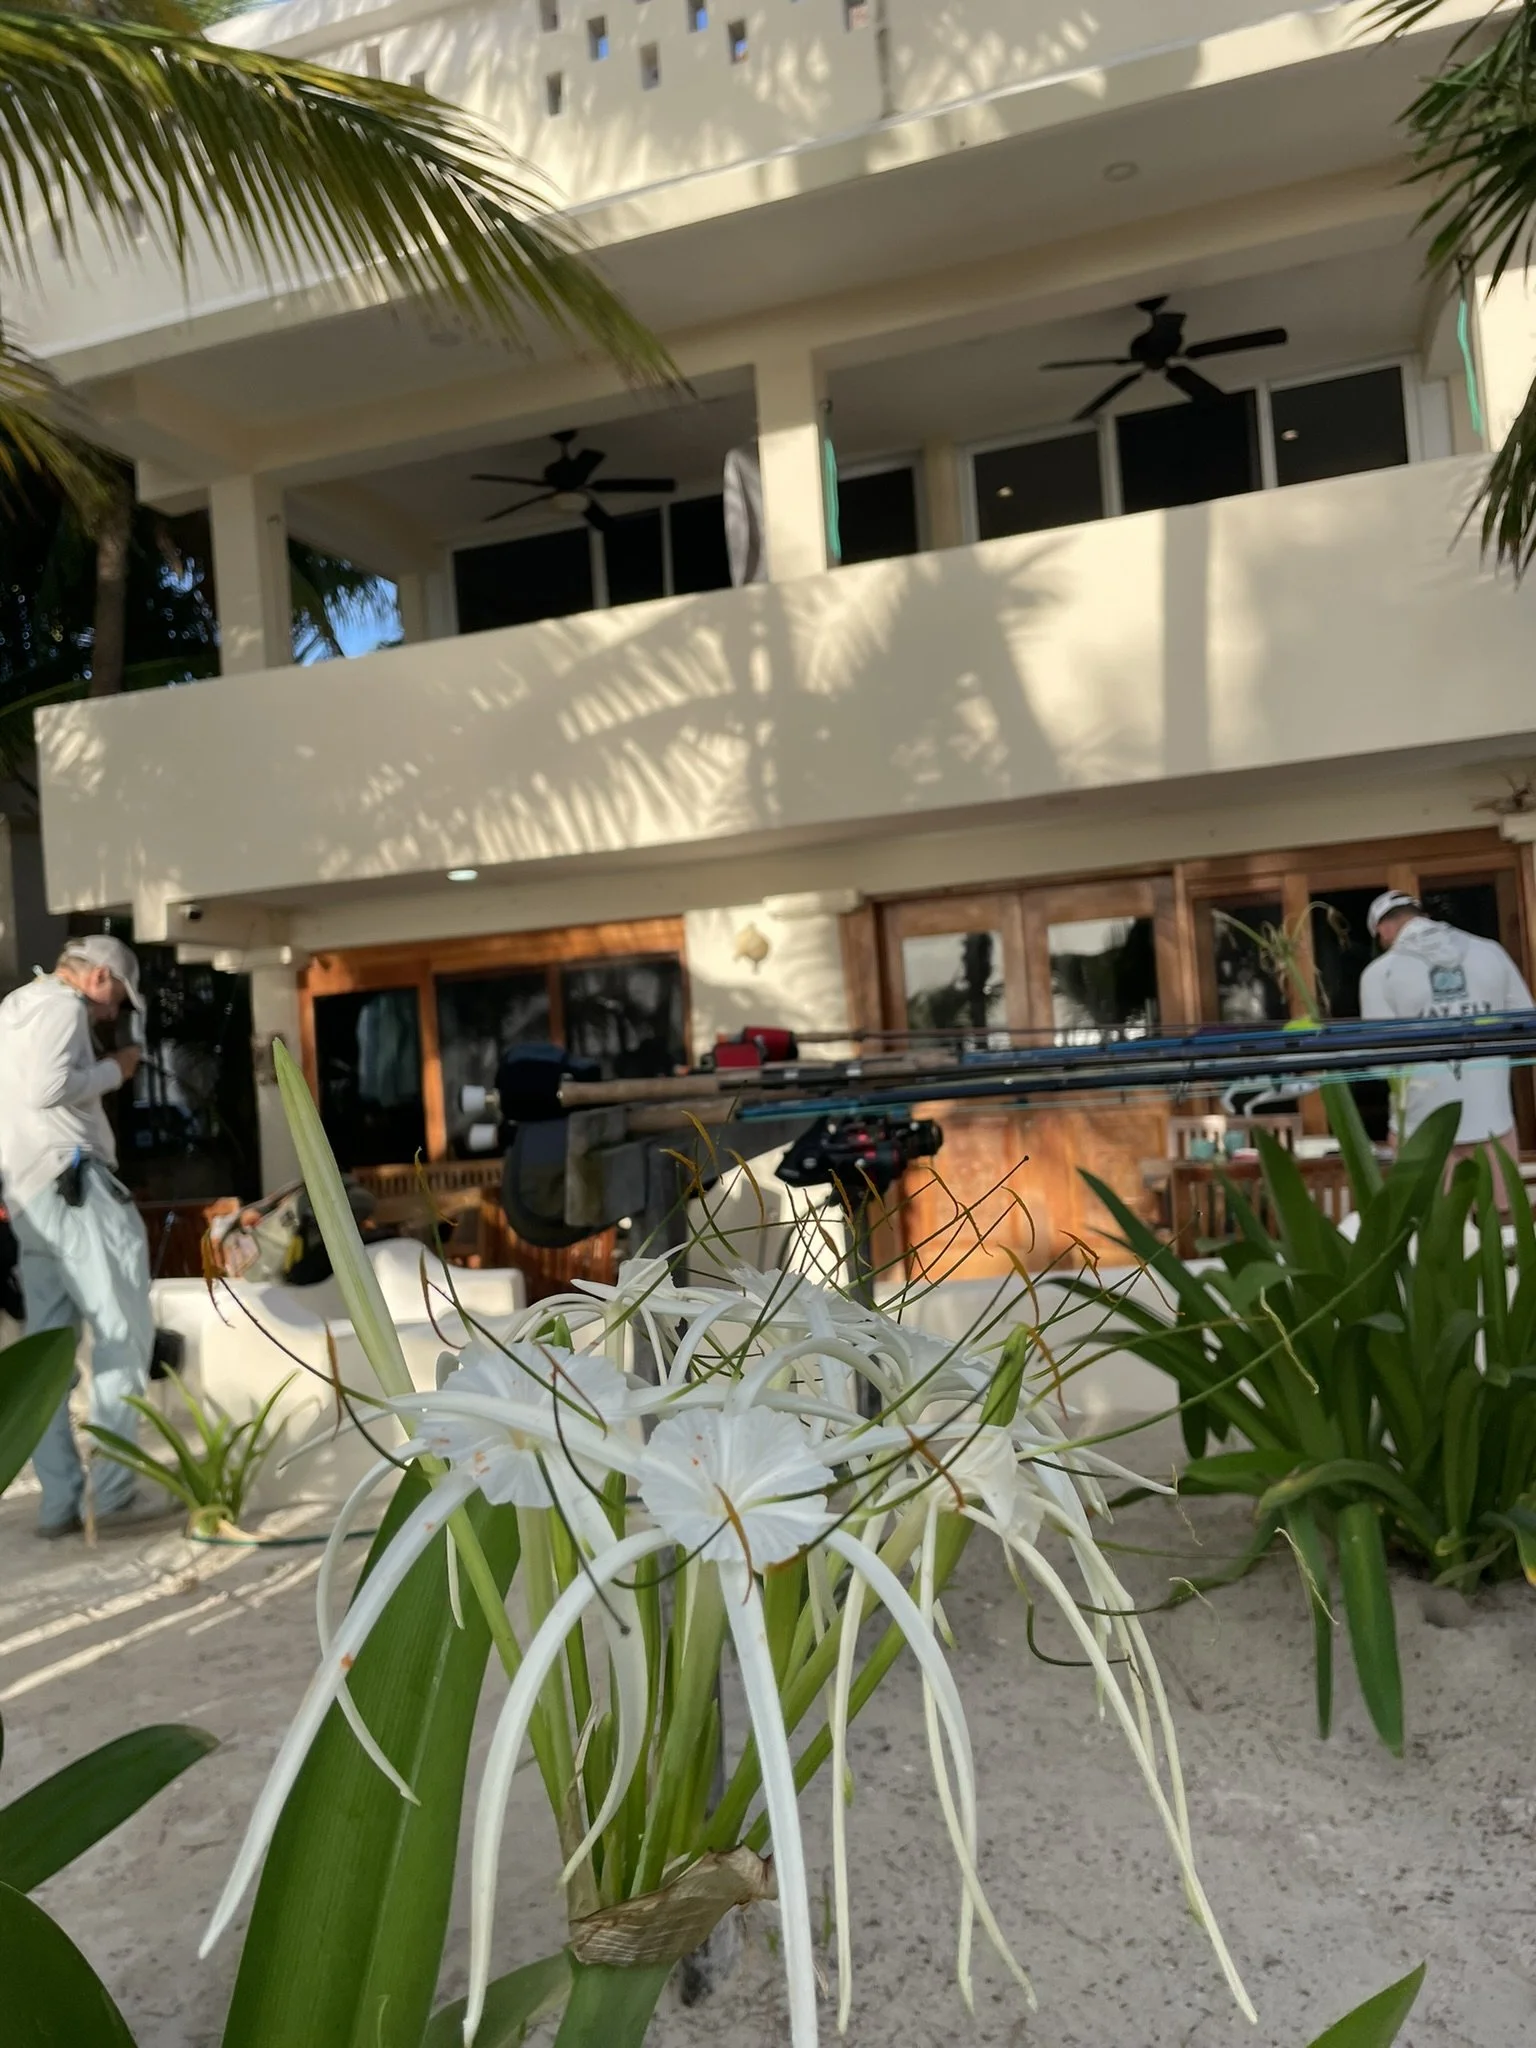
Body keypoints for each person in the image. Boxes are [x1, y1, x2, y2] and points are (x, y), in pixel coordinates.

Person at [0, 936, 172, 1537]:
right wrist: (114, 1070)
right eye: (116, 1000)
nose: (109, 1015)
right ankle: (116, 1494)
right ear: (98, 978)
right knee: (122, 1332)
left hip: (28, 1194)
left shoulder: (14, 1007)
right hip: (76, 1186)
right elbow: (48, 1089)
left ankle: (60, 1504)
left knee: (48, 1352)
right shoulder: (64, 1007)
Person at [1359, 891, 1535, 1184]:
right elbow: (1527, 1026)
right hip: (1493, 1120)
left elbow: (1380, 1064)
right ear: (1420, 915)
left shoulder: (1379, 974)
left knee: (1429, 1225)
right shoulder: (1491, 952)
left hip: (1421, 1130)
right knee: (1500, 1222)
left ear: (1383, 929)